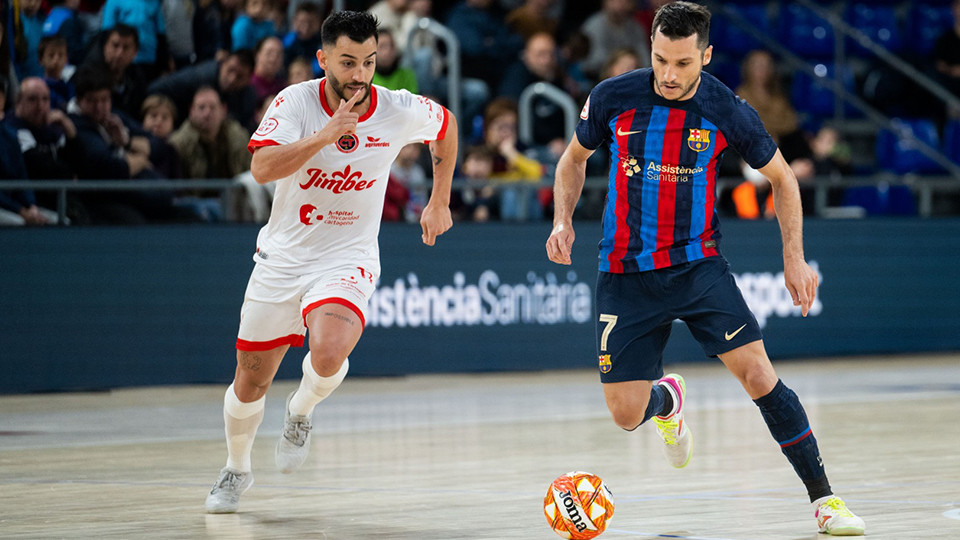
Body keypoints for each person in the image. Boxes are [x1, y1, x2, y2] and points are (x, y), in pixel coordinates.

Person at [544, 3, 866, 536]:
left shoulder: (727, 110)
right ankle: (666, 399)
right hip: (624, 273)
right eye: (661, 60)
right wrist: (562, 220)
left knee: (760, 375)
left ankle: (826, 502)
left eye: (683, 64)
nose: (669, 75)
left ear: (706, 56)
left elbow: (784, 182)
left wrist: (793, 258)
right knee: (626, 414)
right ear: (650, 47)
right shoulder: (612, 97)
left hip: (697, 267)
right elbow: (572, 160)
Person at [204, 10, 458, 514]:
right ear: (323, 60)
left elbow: (445, 127)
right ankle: (236, 468)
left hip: (348, 256)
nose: (360, 75)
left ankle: (301, 409)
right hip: (283, 257)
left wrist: (440, 200)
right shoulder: (294, 102)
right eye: (348, 62)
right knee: (250, 378)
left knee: (329, 350)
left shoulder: (396, 108)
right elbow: (260, 167)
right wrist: (325, 134)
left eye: (369, 61)